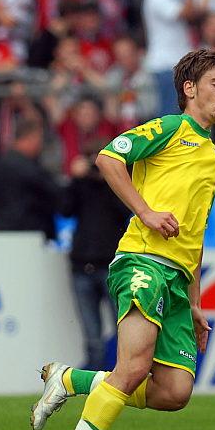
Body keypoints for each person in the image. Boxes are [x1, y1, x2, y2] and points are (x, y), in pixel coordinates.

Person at [30, 49, 215, 430]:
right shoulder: (171, 128)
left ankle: (70, 380)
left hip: (179, 278)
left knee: (175, 392)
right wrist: (145, 212)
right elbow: (108, 158)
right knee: (133, 367)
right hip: (143, 261)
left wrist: (196, 302)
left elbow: (196, 234)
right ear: (189, 89)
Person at [61, 139, 129, 371]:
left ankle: (124, 378)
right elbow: (64, 209)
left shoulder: (118, 185)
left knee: (125, 330)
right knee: (92, 337)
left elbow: (126, 211)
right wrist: (74, 178)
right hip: (82, 266)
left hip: (112, 267)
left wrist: (111, 179)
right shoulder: (81, 185)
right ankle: (94, 381)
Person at [0, 117, 62, 241]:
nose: (41, 144)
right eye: (39, 139)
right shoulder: (30, 169)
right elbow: (57, 196)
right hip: (28, 239)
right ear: (31, 137)